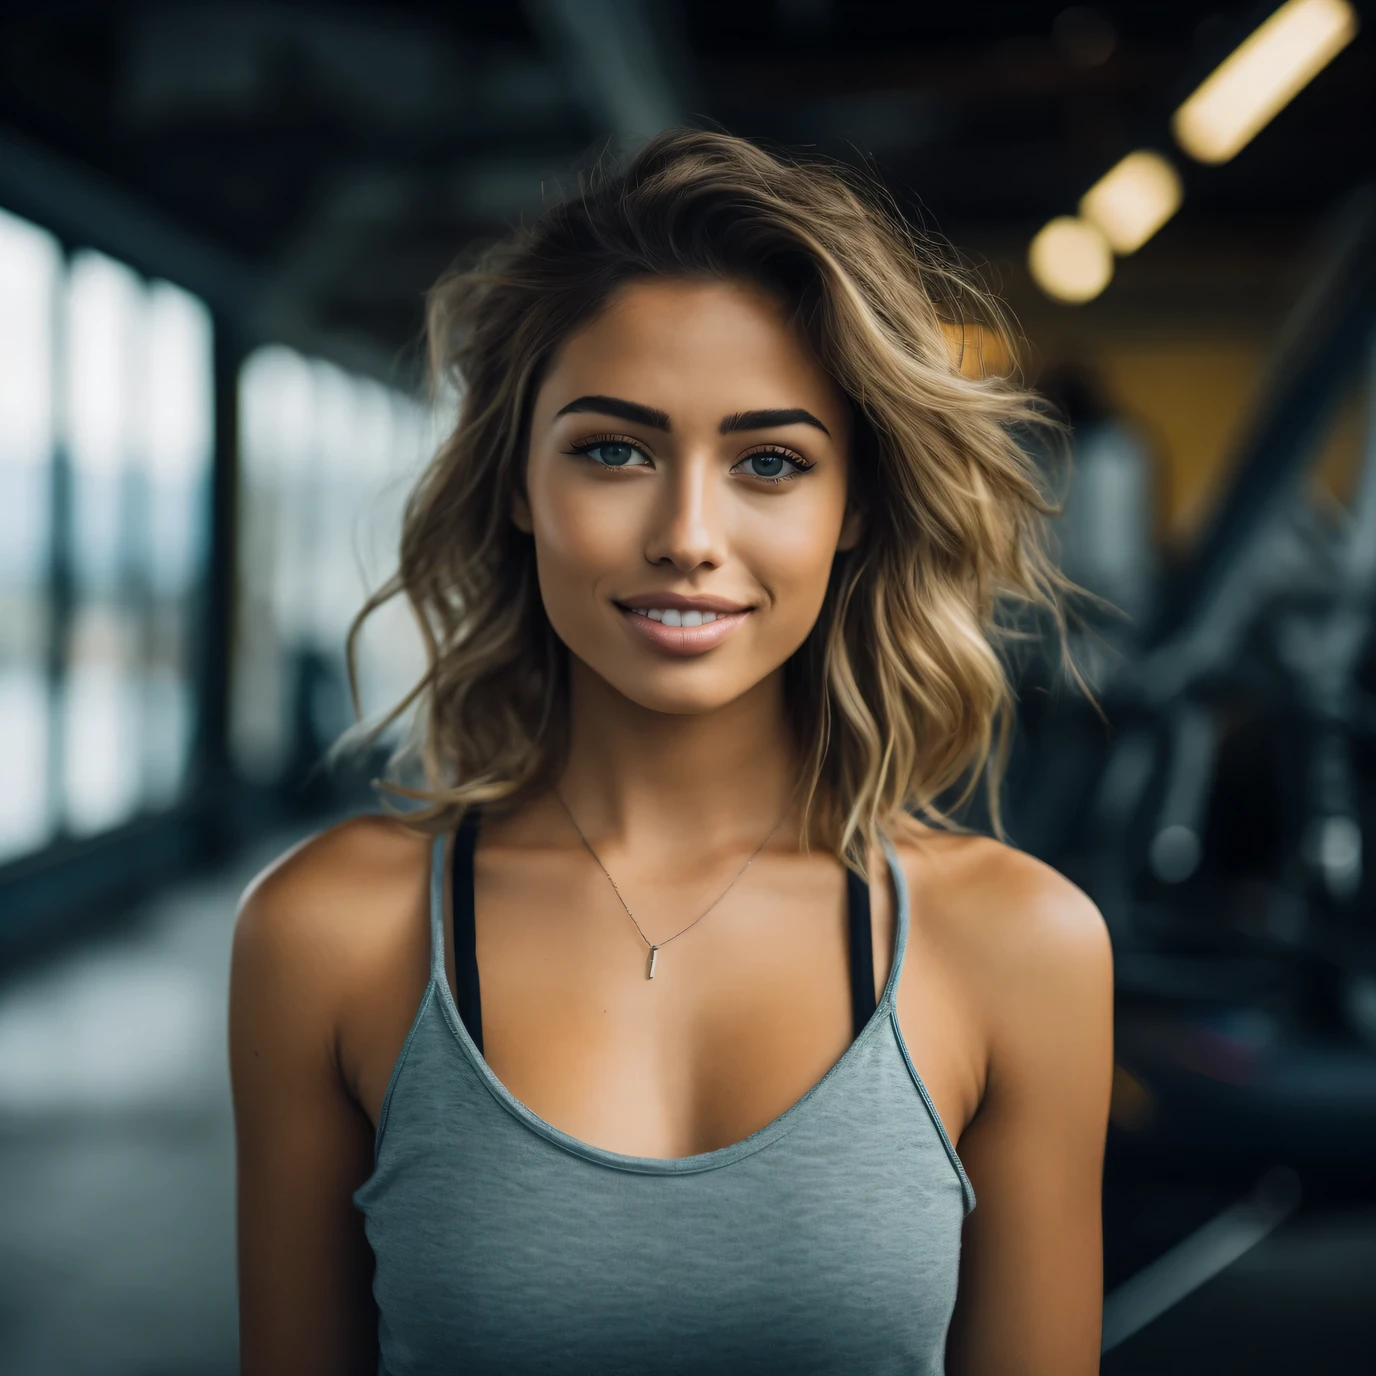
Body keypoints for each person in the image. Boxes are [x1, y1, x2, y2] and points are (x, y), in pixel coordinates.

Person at [229, 129, 1113, 1376]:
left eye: (768, 462)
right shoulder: (329, 931)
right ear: (519, 481)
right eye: (613, 449)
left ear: (852, 503)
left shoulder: (1021, 944)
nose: (687, 533)